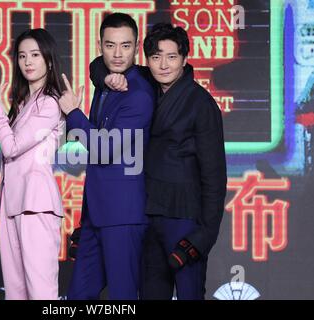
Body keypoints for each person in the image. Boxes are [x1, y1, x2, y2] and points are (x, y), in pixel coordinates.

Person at [90, 23, 227, 300]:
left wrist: (202, 238)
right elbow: (99, 64)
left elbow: (214, 176)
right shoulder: (147, 85)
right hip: (147, 214)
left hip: (185, 219)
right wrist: (107, 78)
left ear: (185, 59)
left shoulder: (201, 104)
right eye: (155, 57)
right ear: (147, 59)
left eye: (172, 56)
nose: (163, 65)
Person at [58, 13, 155, 300]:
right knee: (77, 296)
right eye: (110, 45)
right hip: (95, 215)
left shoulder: (138, 94)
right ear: (100, 45)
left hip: (124, 215)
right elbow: (95, 67)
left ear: (137, 48)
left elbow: (104, 149)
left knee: (123, 297)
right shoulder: (107, 81)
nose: (117, 53)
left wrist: (73, 113)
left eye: (126, 46)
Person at [0, 28, 65, 300]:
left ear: (49, 61)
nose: (28, 62)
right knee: (15, 293)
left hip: (36, 205)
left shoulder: (50, 103)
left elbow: (12, 147)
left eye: (35, 55)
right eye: (22, 56)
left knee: (41, 293)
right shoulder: (23, 104)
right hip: (11, 206)